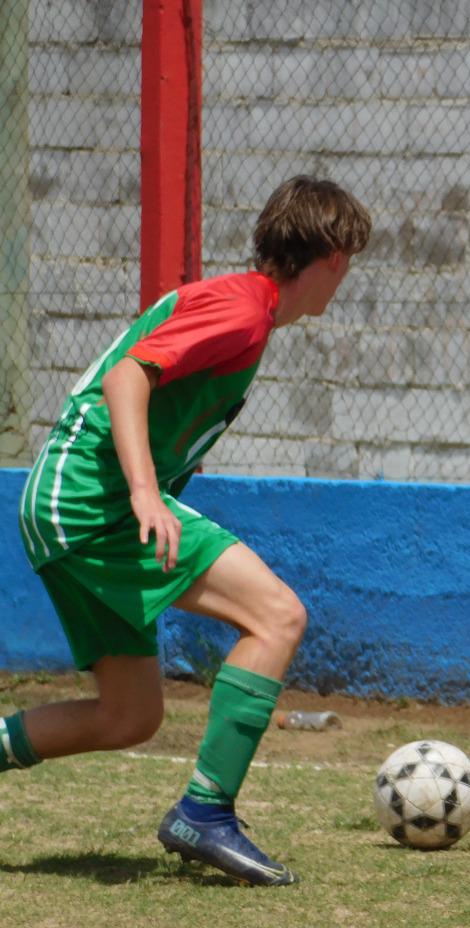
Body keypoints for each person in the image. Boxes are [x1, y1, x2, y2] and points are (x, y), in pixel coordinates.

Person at [8, 176, 371, 886]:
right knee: (277, 616)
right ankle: (205, 813)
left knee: (128, 716)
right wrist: (147, 493)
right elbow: (127, 378)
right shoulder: (243, 310)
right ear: (332, 255)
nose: (346, 275)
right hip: (92, 504)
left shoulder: (244, 307)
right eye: (349, 260)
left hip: (71, 507)